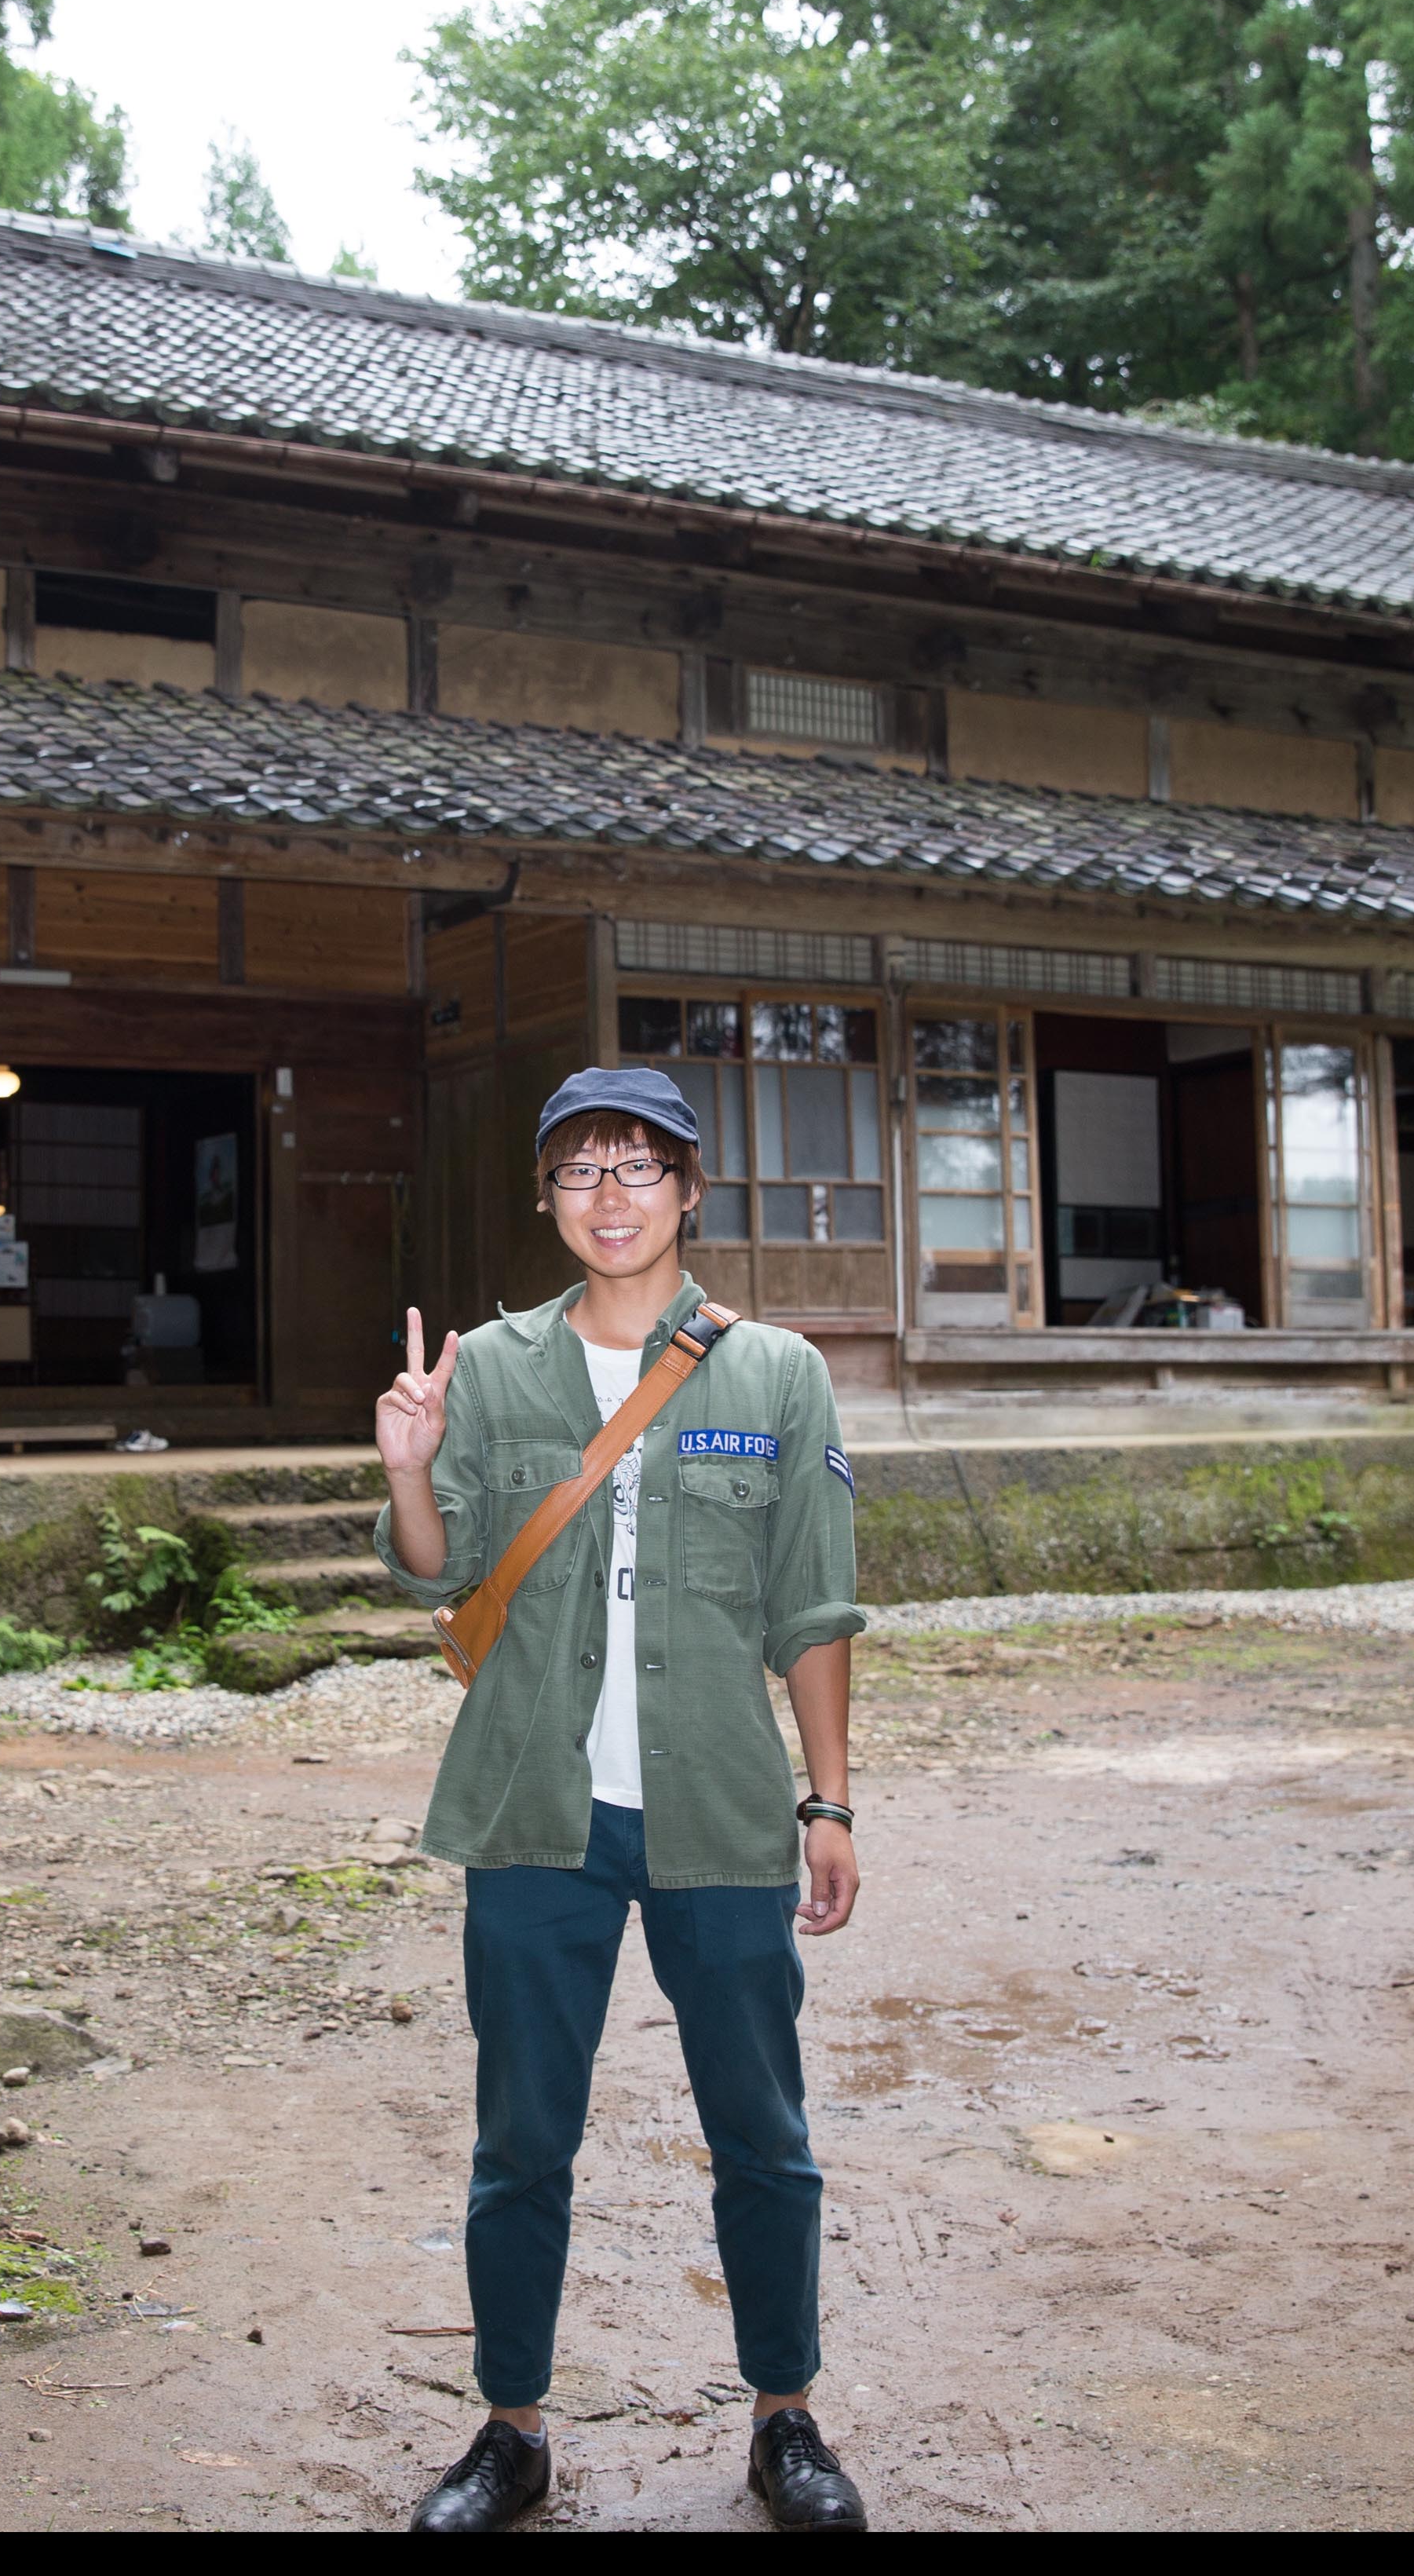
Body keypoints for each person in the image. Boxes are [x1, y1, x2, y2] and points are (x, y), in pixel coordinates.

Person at [374, 1064, 869, 2534]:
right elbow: (440, 1568)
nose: (610, 1195)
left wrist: (829, 1804)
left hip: (719, 1809)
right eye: (580, 1169)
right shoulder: (493, 1367)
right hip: (537, 1812)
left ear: (689, 1190)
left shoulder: (775, 1373)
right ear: (547, 1197)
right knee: (523, 2135)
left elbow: (814, 1606)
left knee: (762, 2130)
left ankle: (785, 2418)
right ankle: (512, 2431)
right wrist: (410, 1469)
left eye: (639, 1167)